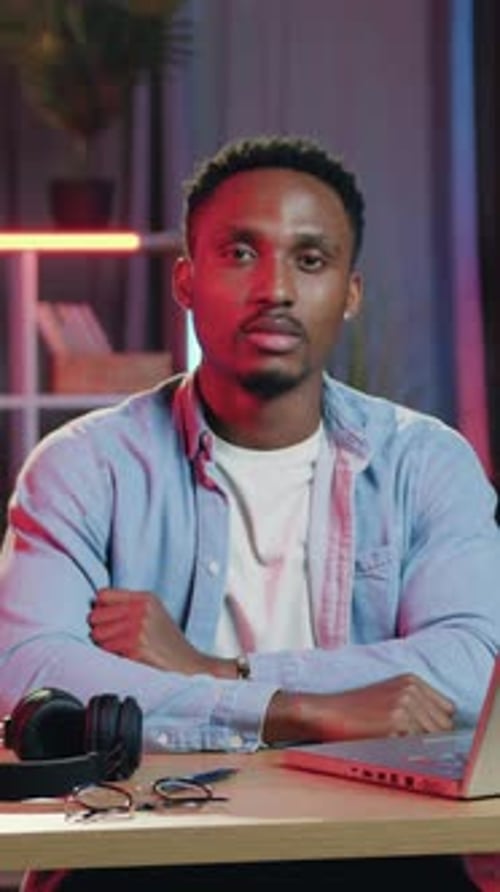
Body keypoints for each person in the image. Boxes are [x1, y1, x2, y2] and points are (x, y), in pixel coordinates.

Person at [0, 134, 499, 890]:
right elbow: (27, 673)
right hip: (141, 845)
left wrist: (215, 670)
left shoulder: (425, 462)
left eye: (311, 259)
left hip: (376, 846)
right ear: (186, 280)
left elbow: (475, 665)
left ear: (350, 292)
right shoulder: (84, 465)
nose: (276, 289)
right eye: (240, 253)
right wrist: (293, 709)